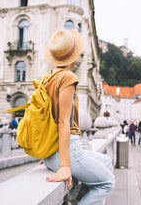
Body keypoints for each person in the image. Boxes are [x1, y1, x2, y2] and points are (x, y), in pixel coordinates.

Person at [41, 29, 115, 204]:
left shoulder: (47, 78)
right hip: (68, 151)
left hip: (52, 152)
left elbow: (44, 119)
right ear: (72, 56)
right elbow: (63, 122)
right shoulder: (67, 77)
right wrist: (65, 166)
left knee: (106, 160)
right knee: (106, 183)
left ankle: (80, 198)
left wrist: (45, 154)